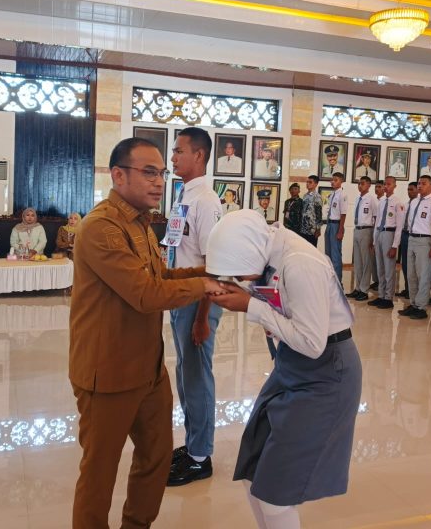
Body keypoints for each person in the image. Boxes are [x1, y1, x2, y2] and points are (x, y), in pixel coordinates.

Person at [68, 137, 224, 528]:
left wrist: (210, 273)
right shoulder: (101, 227)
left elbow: (161, 276)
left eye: (162, 173)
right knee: (100, 473)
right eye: (149, 172)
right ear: (118, 175)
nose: (159, 181)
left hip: (148, 370)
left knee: (155, 458)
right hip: (108, 373)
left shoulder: (141, 223)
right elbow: (145, 294)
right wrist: (203, 285)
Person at [205, 210, 362, 529]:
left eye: (239, 272)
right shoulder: (268, 250)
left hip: (326, 374)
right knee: (254, 469)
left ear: (250, 252)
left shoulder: (299, 263)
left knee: (276, 492)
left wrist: (251, 306)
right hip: (292, 365)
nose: (240, 280)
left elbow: (312, 343)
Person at [167, 127, 224, 486]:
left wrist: (202, 318)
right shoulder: (183, 194)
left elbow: (213, 266)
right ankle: (192, 444)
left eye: (179, 151)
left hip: (197, 302)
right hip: (180, 297)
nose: (173, 157)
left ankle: (201, 457)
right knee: (186, 374)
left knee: (198, 376)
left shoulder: (206, 201)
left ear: (199, 155)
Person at [399, 175, 431, 320]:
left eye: (423, 183)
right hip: (411, 238)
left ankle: (421, 307)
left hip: (425, 240)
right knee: (410, 274)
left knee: (423, 275)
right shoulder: (414, 202)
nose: (420, 186)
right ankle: (413, 303)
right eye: (419, 183)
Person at [369, 176, 406, 309]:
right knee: (380, 267)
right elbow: (377, 222)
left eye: (389, 184)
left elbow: (400, 226)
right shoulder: (382, 201)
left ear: (395, 186)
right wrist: (374, 241)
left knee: (389, 268)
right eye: (385, 184)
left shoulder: (398, 202)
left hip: (389, 234)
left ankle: (388, 297)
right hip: (379, 233)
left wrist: (395, 246)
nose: (386, 186)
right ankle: (381, 295)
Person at [347, 176, 377, 301]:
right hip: (357, 229)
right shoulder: (358, 198)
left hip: (367, 230)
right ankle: (358, 288)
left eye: (363, 183)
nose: (360, 185)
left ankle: (364, 290)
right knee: (358, 262)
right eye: (359, 183)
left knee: (366, 262)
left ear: (369, 185)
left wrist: (373, 238)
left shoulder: (372, 199)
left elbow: (376, 218)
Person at [325, 172, 347, 282]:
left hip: (336, 225)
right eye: (332, 180)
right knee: (328, 254)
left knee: (335, 254)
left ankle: (338, 281)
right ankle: (330, 279)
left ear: (341, 181)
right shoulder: (332, 195)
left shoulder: (342, 195)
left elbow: (343, 214)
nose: (332, 182)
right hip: (329, 224)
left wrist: (340, 230)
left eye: (336, 180)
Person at [397, 182, 418, 298]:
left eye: (412, 189)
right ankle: (407, 288)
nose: (409, 192)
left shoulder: (418, 204)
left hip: (412, 235)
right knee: (405, 263)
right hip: (404, 234)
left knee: (413, 265)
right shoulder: (405, 204)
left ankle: (413, 290)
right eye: (408, 190)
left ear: (417, 190)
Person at [299, 175, 322, 246]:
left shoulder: (317, 196)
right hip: (303, 228)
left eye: (310, 182)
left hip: (312, 230)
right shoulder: (305, 195)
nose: (307, 184)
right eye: (307, 182)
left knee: (311, 249)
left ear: (316, 184)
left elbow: (319, 213)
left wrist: (318, 229)